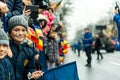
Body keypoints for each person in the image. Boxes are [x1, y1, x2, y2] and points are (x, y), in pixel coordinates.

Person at [7, 15, 43, 80]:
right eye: (16, 30)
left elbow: (29, 71)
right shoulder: (4, 48)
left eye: (23, 30)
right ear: (10, 32)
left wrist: (32, 76)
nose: (20, 33)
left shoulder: (28, 51)